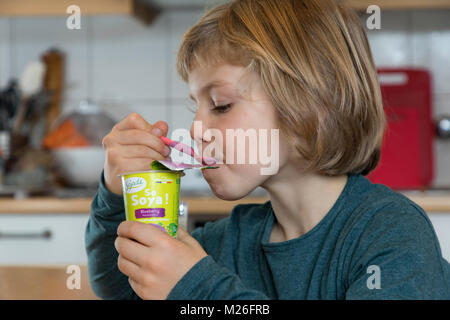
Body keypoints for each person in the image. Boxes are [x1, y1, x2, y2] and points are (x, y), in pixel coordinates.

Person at [85, 0, 450, 299]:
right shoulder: (226, 242)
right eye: (194, 107)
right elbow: (121, 290)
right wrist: (115, 194)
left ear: (314, 103)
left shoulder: (389, 233)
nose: (196, 128)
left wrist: (197, 291)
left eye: (221, 104)